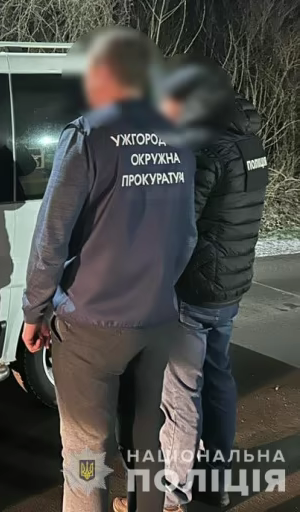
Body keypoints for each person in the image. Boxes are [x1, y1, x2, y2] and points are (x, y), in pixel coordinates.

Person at [21, 28, 198, 512]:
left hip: (91, 327)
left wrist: (35, 310)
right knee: (146, 441)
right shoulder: (178, 135)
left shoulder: (88, 135)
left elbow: (51, 236)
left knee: (85, 452)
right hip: (157, 319)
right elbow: (187, 234)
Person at [156, 61, 269, 511]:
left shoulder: (207, 150)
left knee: (181, 391)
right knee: (219, 379)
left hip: (195, 289)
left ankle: (174, 493)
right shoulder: (250, 144)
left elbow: (182, 226)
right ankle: (216, 481)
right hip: (231, 286)